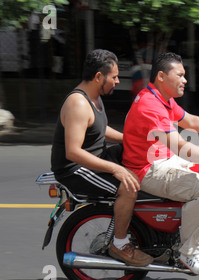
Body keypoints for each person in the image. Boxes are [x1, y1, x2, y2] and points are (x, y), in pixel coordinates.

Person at [122, 52, 199, 275]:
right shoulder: (151, 106)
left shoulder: (162, 99)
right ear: (161, 76)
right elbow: (182, 147)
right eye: (179, 75)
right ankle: (189, 251)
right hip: (148, 169)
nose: (185, 80)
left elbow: (189, 121)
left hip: (163, 159)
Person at [51, 49, 153, 267]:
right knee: (129, 187)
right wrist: (115, 169)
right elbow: (73, 152)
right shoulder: (78, 103)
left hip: (96, 158)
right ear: (99, 77)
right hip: (76, 168)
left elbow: (100, 129)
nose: (117, 81)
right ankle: (120, 244)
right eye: (114, 77)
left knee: (142, 158)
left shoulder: (95, 98)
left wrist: (131, 140)